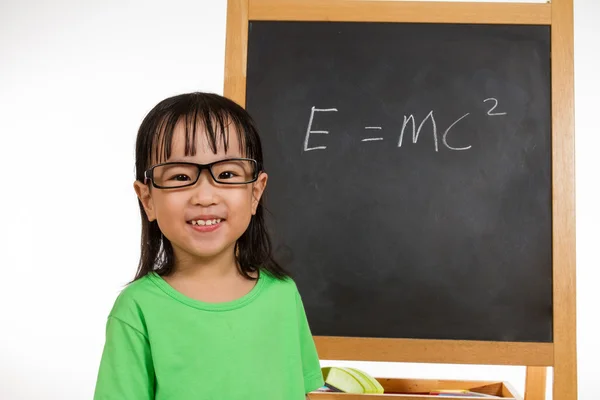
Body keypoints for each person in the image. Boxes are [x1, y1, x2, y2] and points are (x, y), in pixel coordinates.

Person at [94, 92, 324, 399]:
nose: (204, 196)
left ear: (255, 192)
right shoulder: (137, 309)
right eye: (180, 176)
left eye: (227, 174)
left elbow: (308, 392)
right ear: (147, 198)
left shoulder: (283, 296)